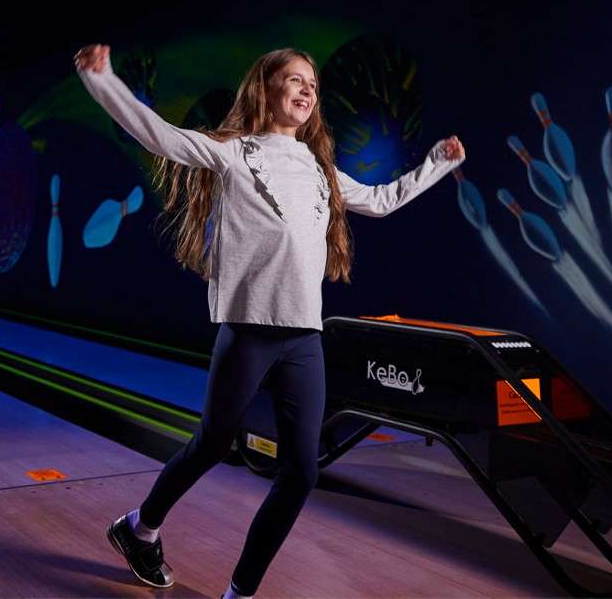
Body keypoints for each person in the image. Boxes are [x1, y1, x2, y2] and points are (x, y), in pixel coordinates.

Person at [75, 44, 464, 598]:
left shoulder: (320, 168)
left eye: (313, 84)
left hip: (304, 338)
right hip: (250, 331)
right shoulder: (235, 153)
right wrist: (103, 81)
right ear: (266, 89)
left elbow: (379, 200)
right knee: (212, 444)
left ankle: (241, 592)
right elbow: (158, 134)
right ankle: (140, 528)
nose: (307, 90)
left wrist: (438, 164)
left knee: (302, 472)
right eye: (295, 80)